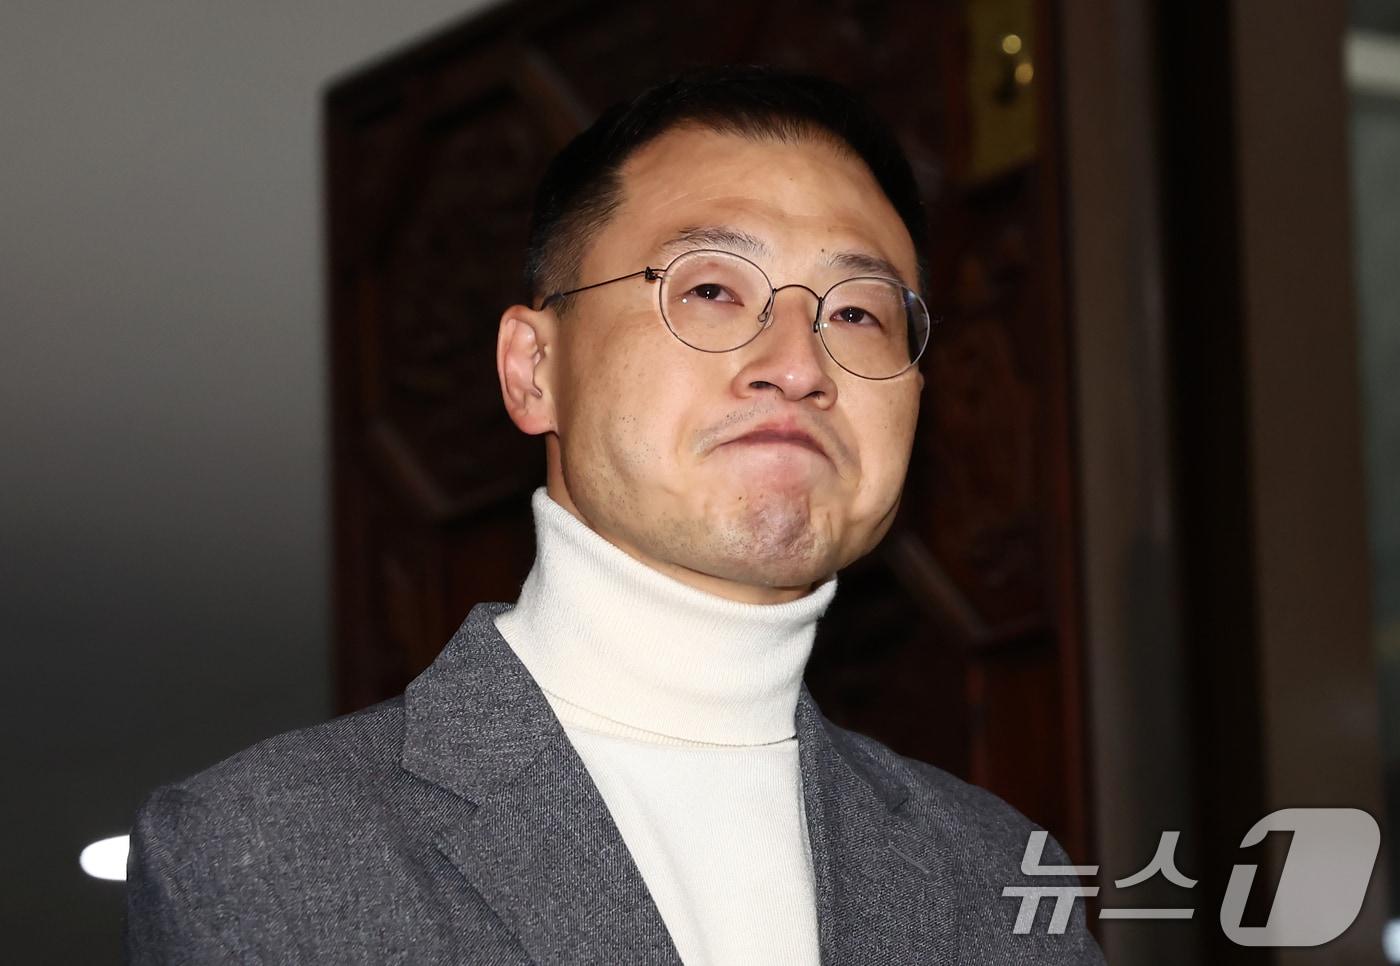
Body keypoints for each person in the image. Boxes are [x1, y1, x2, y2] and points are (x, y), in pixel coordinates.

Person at [125, 64, 1104, 964]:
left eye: (856, 313)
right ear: (534, 369)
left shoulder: (997, 874)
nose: (798, 364)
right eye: (711, 289)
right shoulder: (268, 851)